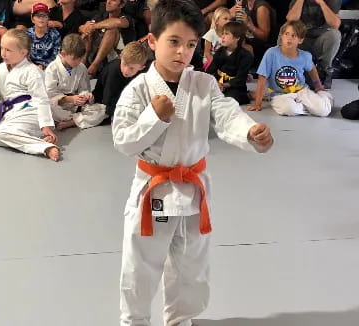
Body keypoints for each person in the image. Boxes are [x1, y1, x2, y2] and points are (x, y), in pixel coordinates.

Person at [112, 0, 273, 325]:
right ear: (152, 41)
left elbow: (226, 112)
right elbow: (124, 140)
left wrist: (250, 131)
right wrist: (153, 118)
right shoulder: (138, 90)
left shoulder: (203, 83)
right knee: (140, 268)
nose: (182, 52)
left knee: (191, 271)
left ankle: (180, 320)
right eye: (173, 41)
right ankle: (135, 321)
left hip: (194, 195)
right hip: (153, 194)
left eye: (190, 44)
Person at [0, 28, 60, 161]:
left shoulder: (32, 71)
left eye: (8, 50)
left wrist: (45, 125)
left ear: (23, 53)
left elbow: (41, 99)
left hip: (30, 112)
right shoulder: (1, 68)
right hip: (13, 113)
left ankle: (45, 147)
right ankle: (28, 139)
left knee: (3, 133)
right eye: (2, 48)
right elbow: (7, 93)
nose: (3, 54)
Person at [247, 20, 333, 117]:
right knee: (289, 109)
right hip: (279, 94)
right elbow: (262, 78)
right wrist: (258, 103)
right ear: (281, 36)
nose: (289, 38)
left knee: (323, 111)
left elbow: (312, 69)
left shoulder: (304, 55)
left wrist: (318, 85)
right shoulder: (271, 53)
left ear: (300, 40)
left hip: (301, 91)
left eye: (294, 36)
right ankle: (306, 106)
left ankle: (325, 98)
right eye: (286, 34)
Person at [45, 33, 106, 130]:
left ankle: (70, 122)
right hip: (58, 107)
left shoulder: (81, 68)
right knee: (46, 107)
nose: (79, 61)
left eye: (81, 58)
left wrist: (86, 96)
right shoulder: (52, 69)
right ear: (63, 54)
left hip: (75, 107)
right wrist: (70, 99)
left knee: (103, 110)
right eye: (76, 59)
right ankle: (77, 119)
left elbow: (84, 88)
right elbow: (50, 95)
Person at [286, 0, 342, 89]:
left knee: (335, 34)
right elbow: (291, 20)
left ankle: (324, 71)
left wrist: (322, 3)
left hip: (320, 40)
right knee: (285, 32)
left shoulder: (332, 1)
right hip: (301, 40)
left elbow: (335, 24)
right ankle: (286, 69)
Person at [93, 40, 148, 121]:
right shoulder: (113, 71)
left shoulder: (143, 74)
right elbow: (107, 102)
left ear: (141, 67)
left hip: (125, 102)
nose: (126, 71)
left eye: (131, 68)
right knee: (97, 114)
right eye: (124, 64)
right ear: (120, 57)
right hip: (104, 102)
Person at [78, 0, 136, 76]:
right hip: (94, 53)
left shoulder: (126, 18)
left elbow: (118, 22)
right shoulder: (100, 16)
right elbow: (86, 27)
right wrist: (83, 28)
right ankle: (82, 64)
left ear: (121, 5)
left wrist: (94, 26)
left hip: (117, 59)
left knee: (112, 30)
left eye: (113, 0)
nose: (108, 2)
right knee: (88, 33)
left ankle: (93, 67)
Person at [207, 21, 253, 104]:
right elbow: (211, 70)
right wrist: (216, 83)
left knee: (231, 99)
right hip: (219, 84)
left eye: (226, 34)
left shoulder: (245, 56)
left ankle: (248, 95)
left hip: (235, 87)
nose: (222, 36)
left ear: (237, 38)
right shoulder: (220, 52)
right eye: (223, 33)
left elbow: (240, 79)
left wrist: (225, 85)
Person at [230, 0, 278, 66]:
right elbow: (226, 14)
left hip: (261, 48)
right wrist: (230, 15)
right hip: (247, 40)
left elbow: (264, 37)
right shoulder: (242, 2)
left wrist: (249, 24)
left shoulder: (261, 8)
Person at [26, 2, 61, 69]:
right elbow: (24, 55)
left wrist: (43, 66)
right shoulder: (27, 34)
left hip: (50, 68)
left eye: (44, 16)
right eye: (38, 16)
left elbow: (56, 56)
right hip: (30, 68)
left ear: (48, 18)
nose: (41, 18)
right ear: (32, 19)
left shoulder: (55, 34)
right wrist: (34, 67)